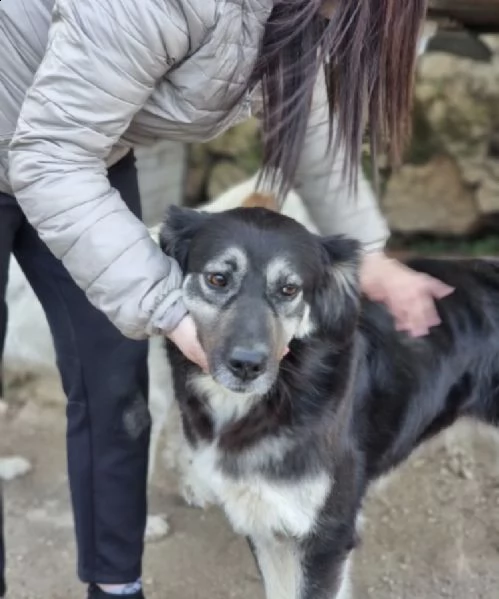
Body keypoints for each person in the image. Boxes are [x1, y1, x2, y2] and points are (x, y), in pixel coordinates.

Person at [0, 0, 453, 597]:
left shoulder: (297, 16)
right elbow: (48, 155)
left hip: (87, 152)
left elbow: (306, 121)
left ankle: (115, 587)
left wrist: (371, 256)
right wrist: (167, 304)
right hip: (59, 153)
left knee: (115, 383)